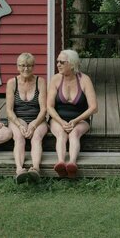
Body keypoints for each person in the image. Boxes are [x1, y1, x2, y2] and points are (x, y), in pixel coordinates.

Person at [47, 49, 97, 178]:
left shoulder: (84, 80)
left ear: (72, 64)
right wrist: (60, 121)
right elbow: (49, 106)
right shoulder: (55, 79)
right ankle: (61, 162)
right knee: (61, 133)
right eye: (57, 61)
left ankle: (72, 164)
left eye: (62, 62)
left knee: (74, 133)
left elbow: (93, 108)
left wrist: (75, 121)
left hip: (80, 119)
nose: (58, 64)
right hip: (59, 119)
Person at [5, 52, 48, 183]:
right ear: (17, 67)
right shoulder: (12, 83)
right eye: (22, 65)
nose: (26, 69)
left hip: (37, 118)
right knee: (18, 137)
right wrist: (19, 125)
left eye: (29, 66)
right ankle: (19, 170)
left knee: (36, 137)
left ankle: (35, 169)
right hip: (18, 118)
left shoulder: (40, 81)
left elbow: (44, 109)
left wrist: (34, 125)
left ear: (33, 66)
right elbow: (9, 110)